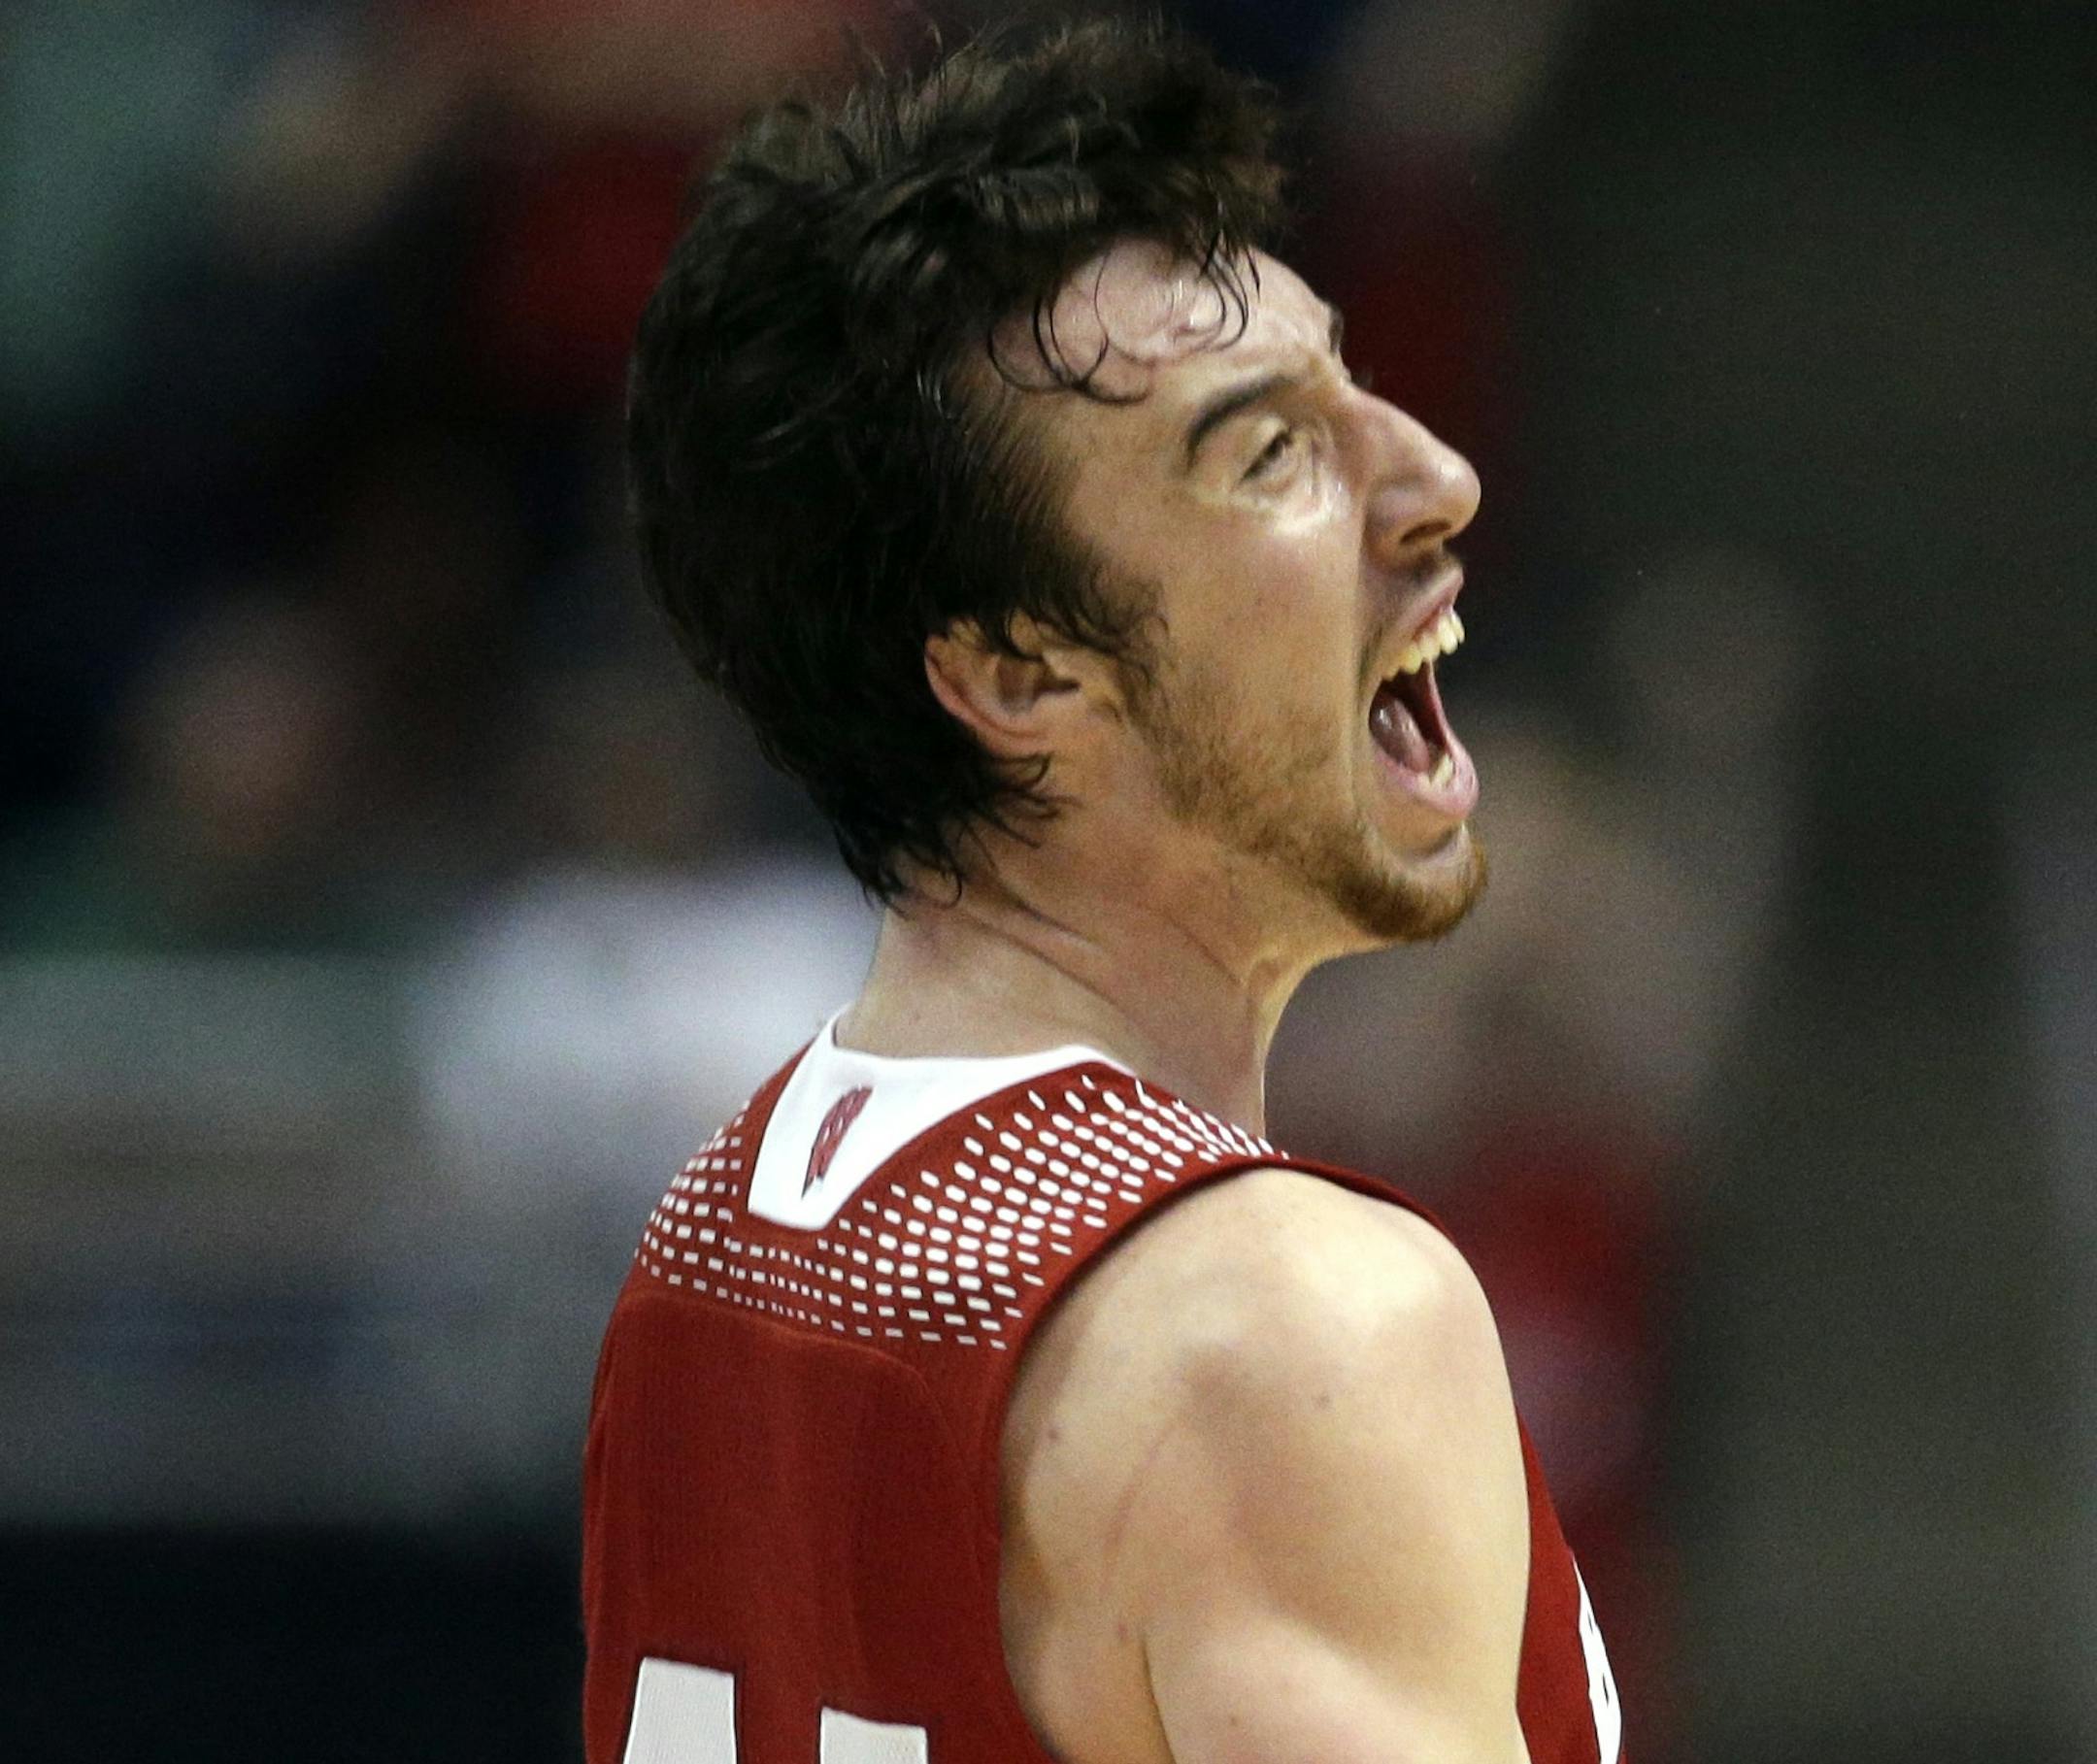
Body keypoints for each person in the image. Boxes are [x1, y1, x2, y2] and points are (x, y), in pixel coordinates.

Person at [582, 17, 1623, 1763]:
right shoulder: (1284, 1323)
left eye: (1354, 384)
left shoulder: (707, 1244)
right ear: (1016, 674)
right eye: (1270, 453)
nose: (1436, 479)